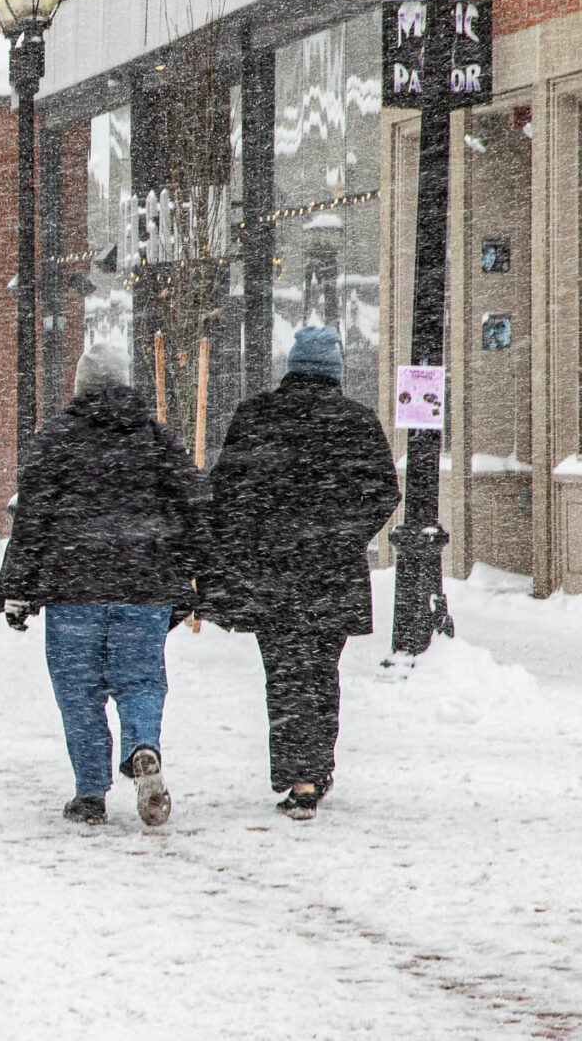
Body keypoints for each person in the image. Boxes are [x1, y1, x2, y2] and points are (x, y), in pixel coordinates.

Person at [0, 342, 208, 828]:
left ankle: (90, 793)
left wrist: (19, 588)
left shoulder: (56, 439)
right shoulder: (155, 439)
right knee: (141, 680)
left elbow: (33, 521)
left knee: (78, 690)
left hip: (74, 589)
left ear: (80, 387)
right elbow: (196, 503)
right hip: (144, 585)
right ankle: (142, 747)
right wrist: (195, 576)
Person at [202, 326, 400, 821]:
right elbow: (384, 491)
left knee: (285, 674)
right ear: (335, 372)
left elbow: (226, 492)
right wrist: (344, 531)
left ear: (291, 367)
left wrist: (253, 538)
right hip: (333, 574)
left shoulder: (256, 417)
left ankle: (300, 774)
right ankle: (317, 767)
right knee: (321, 673)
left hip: (272, 573)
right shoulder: (356, 422)